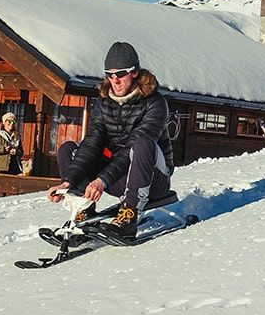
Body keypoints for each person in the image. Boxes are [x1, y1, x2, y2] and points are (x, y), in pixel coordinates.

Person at [46, 42, 174, 243]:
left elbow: (133, 147)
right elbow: (92, 143)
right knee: (68, 149)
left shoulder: (155, 103)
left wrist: (101, 180)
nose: (115, 80)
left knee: (142, 144)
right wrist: (68, 181)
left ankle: (129, 215)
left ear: (134, 72)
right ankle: (84, 212)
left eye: (120, 73)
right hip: (120, 177)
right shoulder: (104, 102)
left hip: (153, 179)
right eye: (109, 74)